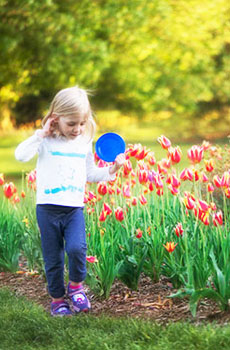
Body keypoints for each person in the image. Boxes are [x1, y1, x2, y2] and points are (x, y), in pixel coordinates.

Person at [15, 86, 125, 316]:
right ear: (56, 119)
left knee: (77, 249)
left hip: (74, 209)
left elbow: (91, 174)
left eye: (82, 123)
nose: (77, 129)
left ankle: (75, 286)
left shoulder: (83, 143)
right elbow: (20, 156)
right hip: (47, 209)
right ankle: (57, 299)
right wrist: (40, 134)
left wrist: (113, 169)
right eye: (71, 124)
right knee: (53, 258)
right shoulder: (46, 141)